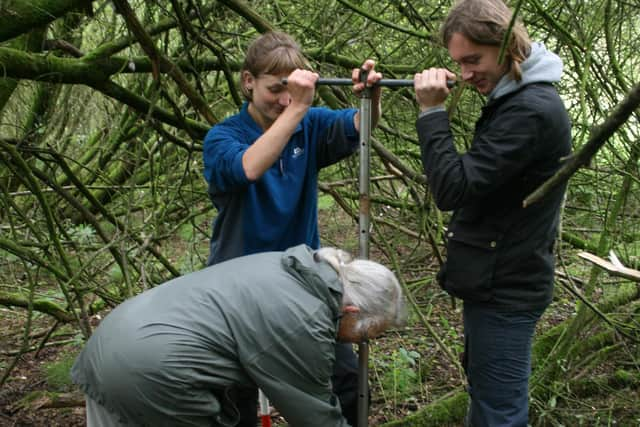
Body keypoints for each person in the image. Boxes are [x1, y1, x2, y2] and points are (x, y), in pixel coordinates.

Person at [202, 31, 382, 425]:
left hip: (302, 283)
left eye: (293, 90)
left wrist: (370, 96)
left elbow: (359, 126)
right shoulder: (223, 137)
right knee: (236, 399)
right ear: (248, 81)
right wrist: (297, 109)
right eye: (275, 89)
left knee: (346, 382)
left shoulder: (309, 125)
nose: (285, 100)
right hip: (236, 290)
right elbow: (248, 167)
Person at [412, 0, 571, 425]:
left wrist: (430, 112)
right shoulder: (516, 99)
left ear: (506, 47)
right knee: (487, 402)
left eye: (473, 60)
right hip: (497, 282)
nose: (465, 74)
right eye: (458, 63)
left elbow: (453, 187)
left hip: (507, 289)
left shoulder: (529, 110)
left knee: (498, 412)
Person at [71, 245, 407, 427]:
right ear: (352, 312)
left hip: (112, 346)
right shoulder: (303, 319)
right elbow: (315, 414)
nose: (358, 344)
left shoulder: (290, 267)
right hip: (152, 371)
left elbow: (241, 370)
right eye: (366, 335)